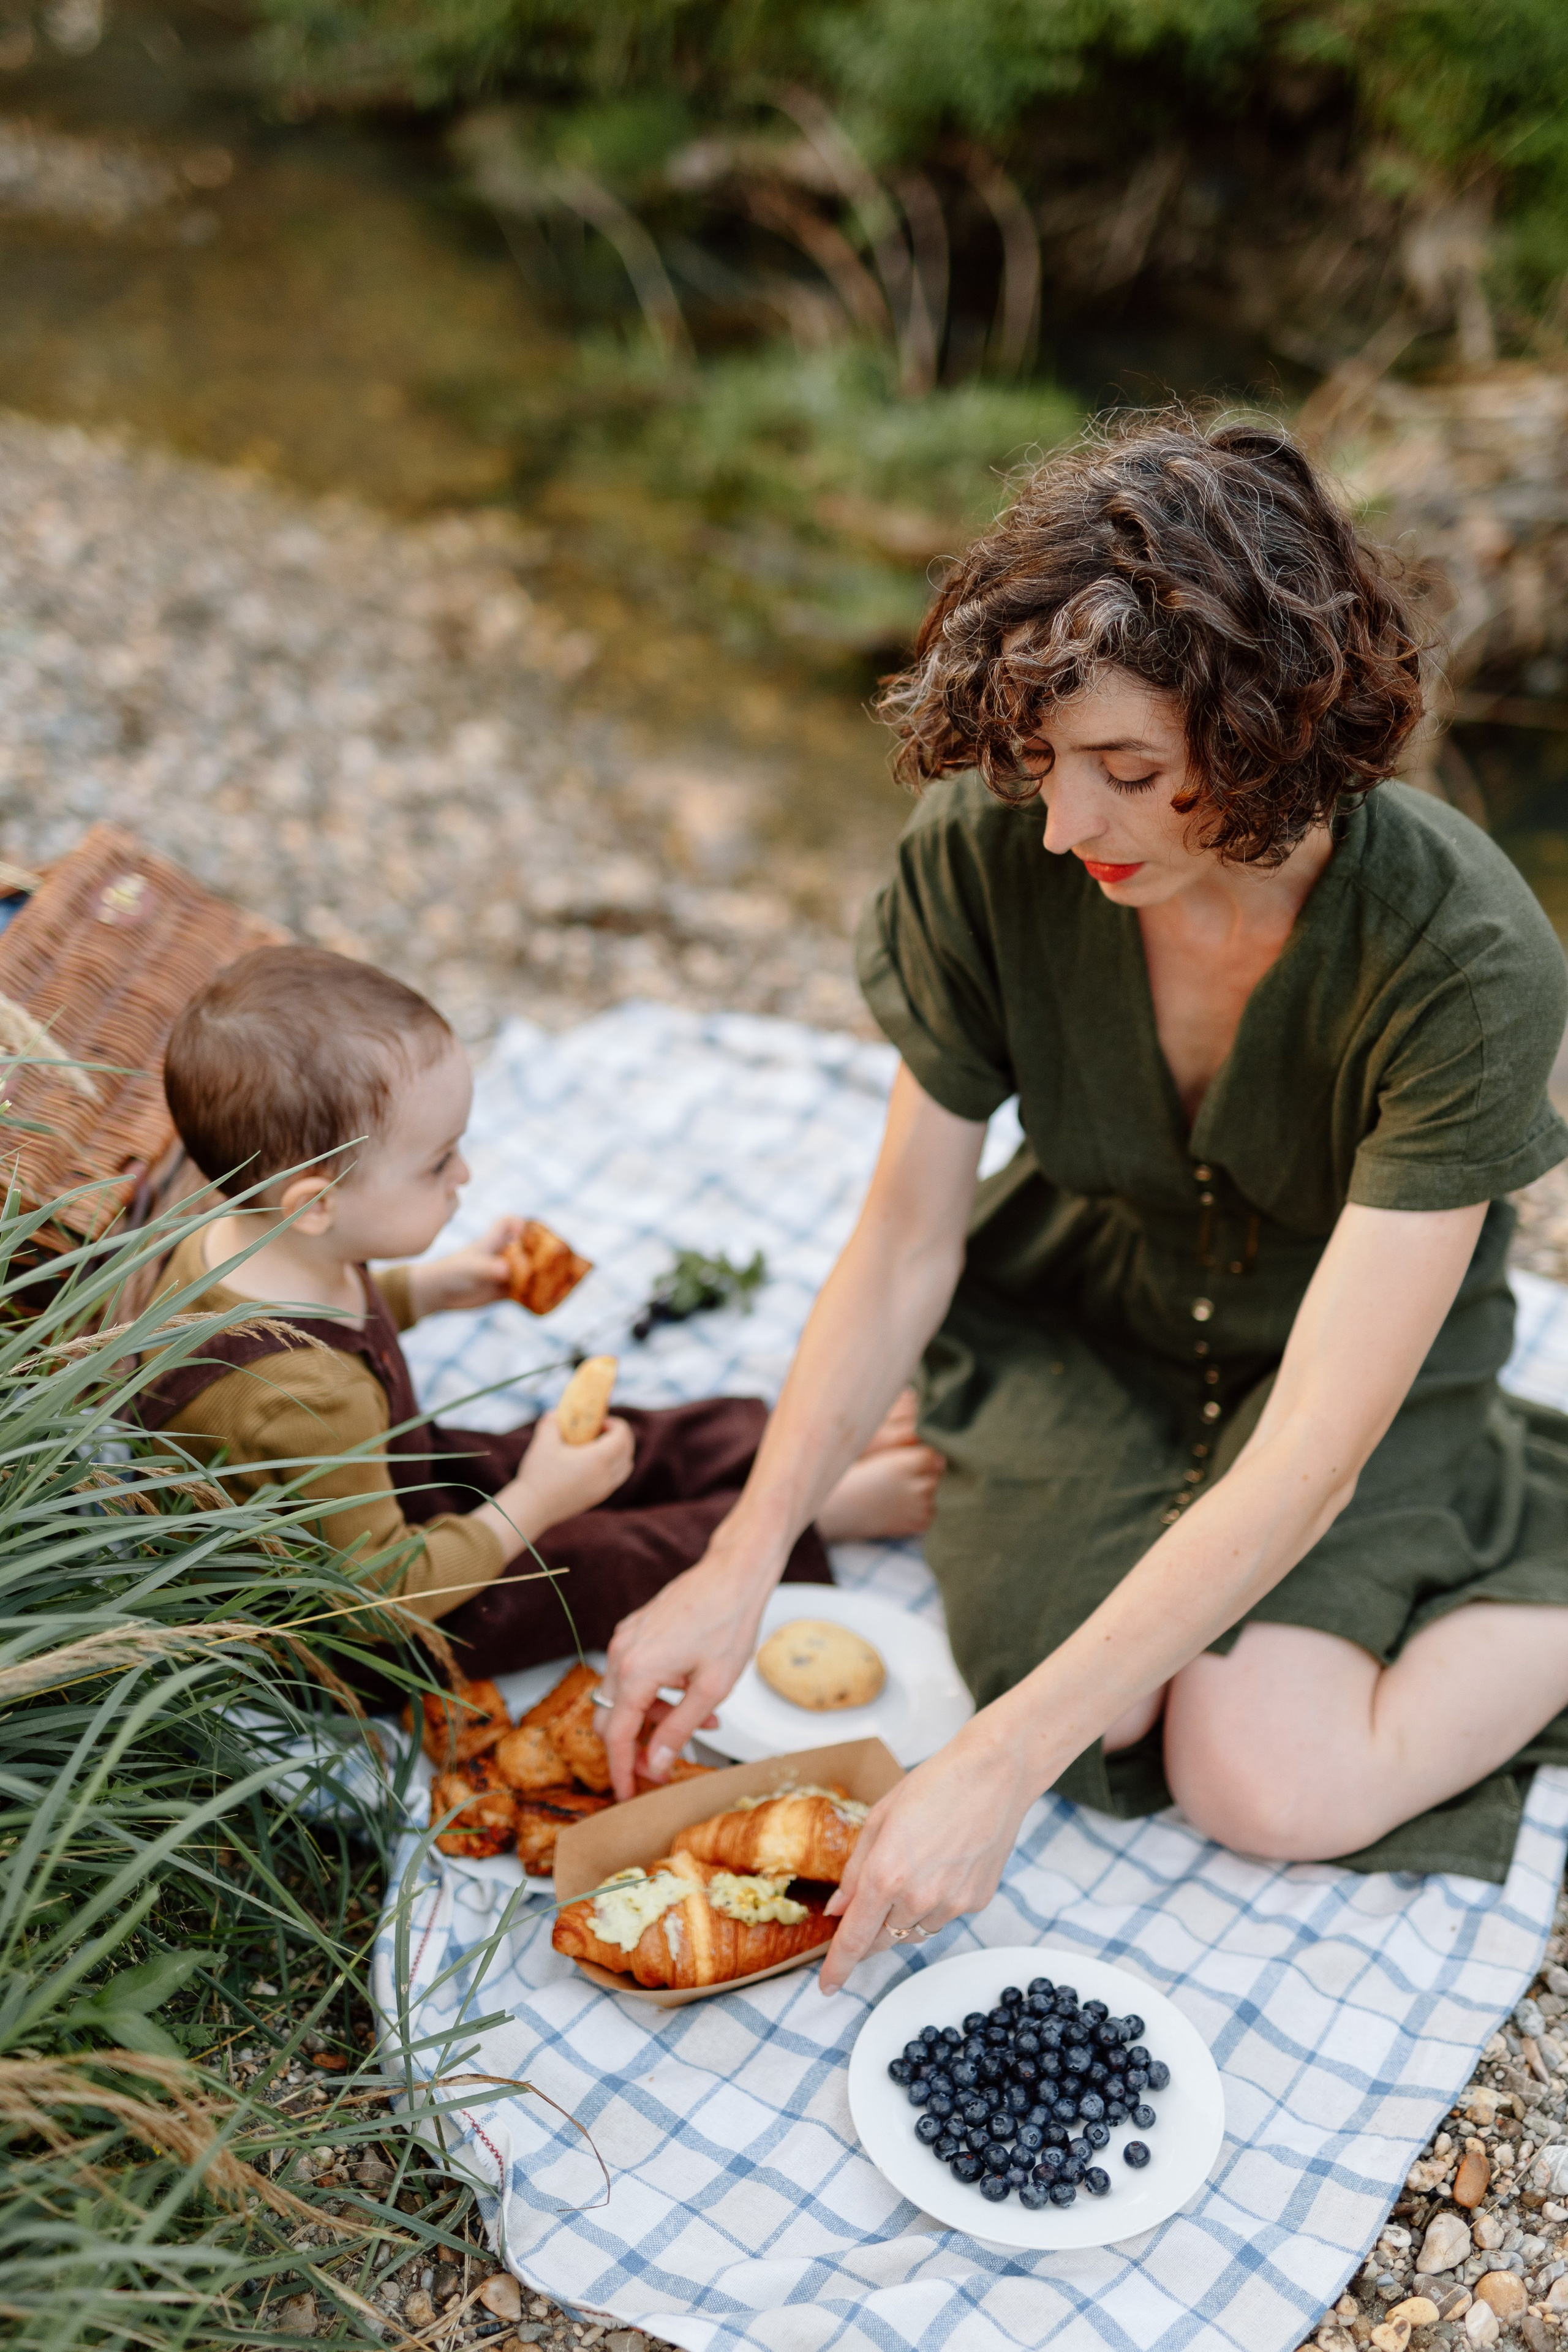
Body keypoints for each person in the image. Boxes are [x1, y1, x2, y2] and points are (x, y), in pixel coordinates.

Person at [598, 410, 1568, 1995]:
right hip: (1077, 1306)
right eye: (1044, 765)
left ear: (1271, 738)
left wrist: (993, 1764)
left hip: (1339, 1380)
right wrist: (743, 1549)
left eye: (1128, 772)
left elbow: (1319, 1443)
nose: (1064, 827)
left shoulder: (1465, 961)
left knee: (1263, 1779)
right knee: (1104, 1705)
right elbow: (908, 1231)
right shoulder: (995, 848)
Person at [140, 946, 941, 1679]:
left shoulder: (248, 1238)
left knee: (595, 1438)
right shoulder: (307, 1399)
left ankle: (795, 1443)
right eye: (436, 1163)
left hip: (386, 1481)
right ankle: (820, 1522)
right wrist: (536, 1505)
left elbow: (343, 1321)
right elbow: (385, 1593)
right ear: (313, 1206)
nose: (467, 1173)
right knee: (594, 1555)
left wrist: (435, 1289)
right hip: (373, 1633)